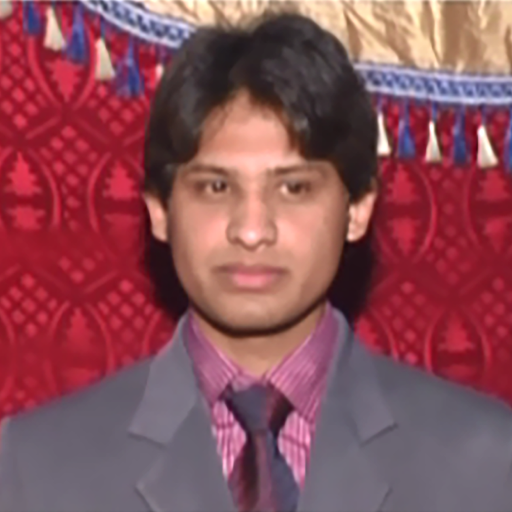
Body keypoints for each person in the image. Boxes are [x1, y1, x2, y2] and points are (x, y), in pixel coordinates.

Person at [1, 11, 511, 512]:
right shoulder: (32, 466)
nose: (250, 231)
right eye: (215, 187)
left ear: (357, 211)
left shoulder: (489, 461)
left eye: (294, 188)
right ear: (160, 212)